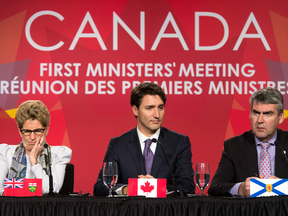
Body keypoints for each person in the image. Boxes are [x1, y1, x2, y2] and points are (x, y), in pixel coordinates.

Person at [93, 82, 195, 196]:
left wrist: (157, 187)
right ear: (135, 110)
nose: (157, 114)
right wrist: (127, 189)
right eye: (149, 108)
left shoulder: (179, 143)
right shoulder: (118, 144)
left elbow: (188, 186)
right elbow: (100, 187)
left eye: (160, 108)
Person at [208, 87, 288, 197]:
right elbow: (215, 187)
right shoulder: (234, 147)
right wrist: (240, 189)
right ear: (250, 114)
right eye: (256, 113)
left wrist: (283, 187)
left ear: (280, 117)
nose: (260, 120)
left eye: (267, 114)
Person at [0, 100, 72, 195]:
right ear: (20, 131)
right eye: (27, 131)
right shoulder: (6, 153)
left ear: (46, 130)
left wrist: (34, 160)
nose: (32, 137)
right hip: (14, 209)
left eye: (38, 131)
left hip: (45, 209)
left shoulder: (58, 154)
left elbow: (52, 190)